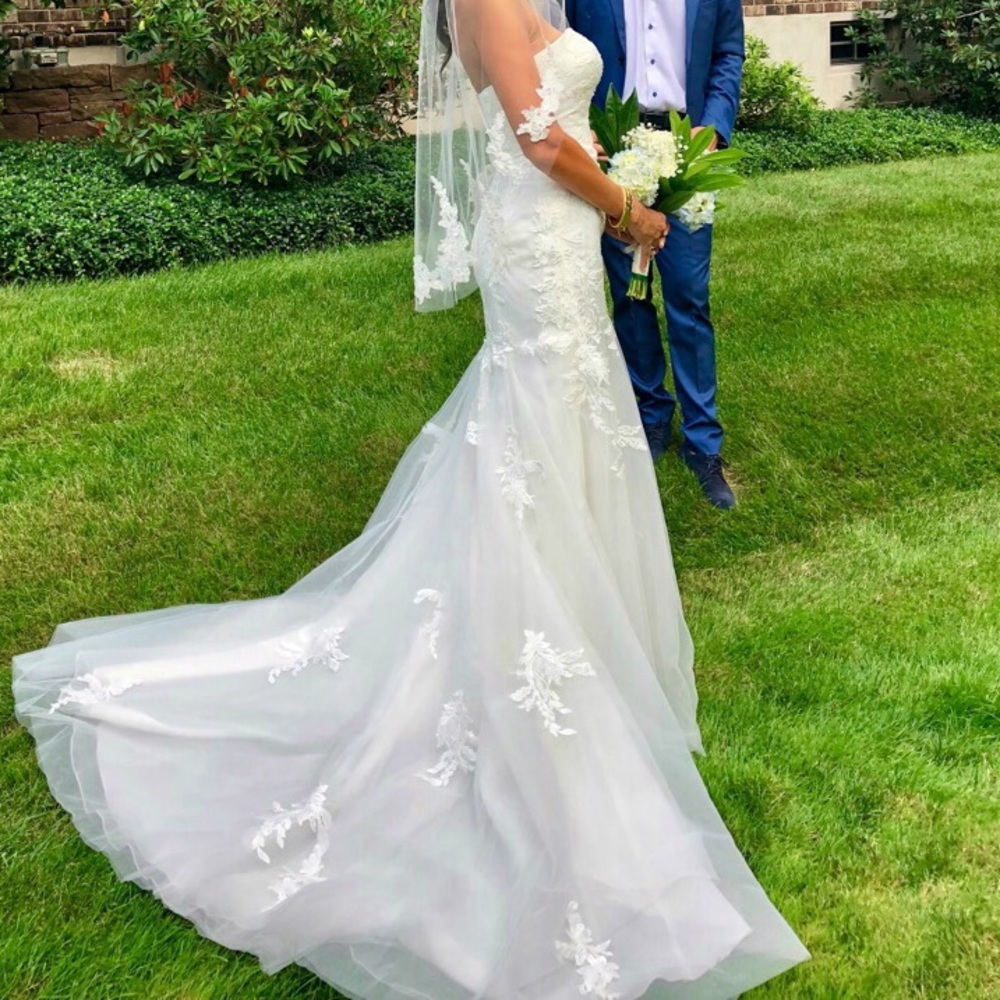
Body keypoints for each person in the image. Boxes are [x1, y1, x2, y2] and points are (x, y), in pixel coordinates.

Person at [11, 0, 807, 996]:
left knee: (565, 424)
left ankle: (589, 639)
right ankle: (528, 660)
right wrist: (626, 205)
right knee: (536, 420)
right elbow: (533, 132)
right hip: (543, 228)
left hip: (558, 232)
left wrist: (617, 189)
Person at [567, 0, 744, 508]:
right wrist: (584, 131)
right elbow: (563, 44)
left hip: (688, 145)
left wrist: (713, 128)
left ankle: (704, 444)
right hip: (614, 145)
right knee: (629, 294)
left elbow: (728, 53)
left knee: (689, 299)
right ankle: (650, 415)